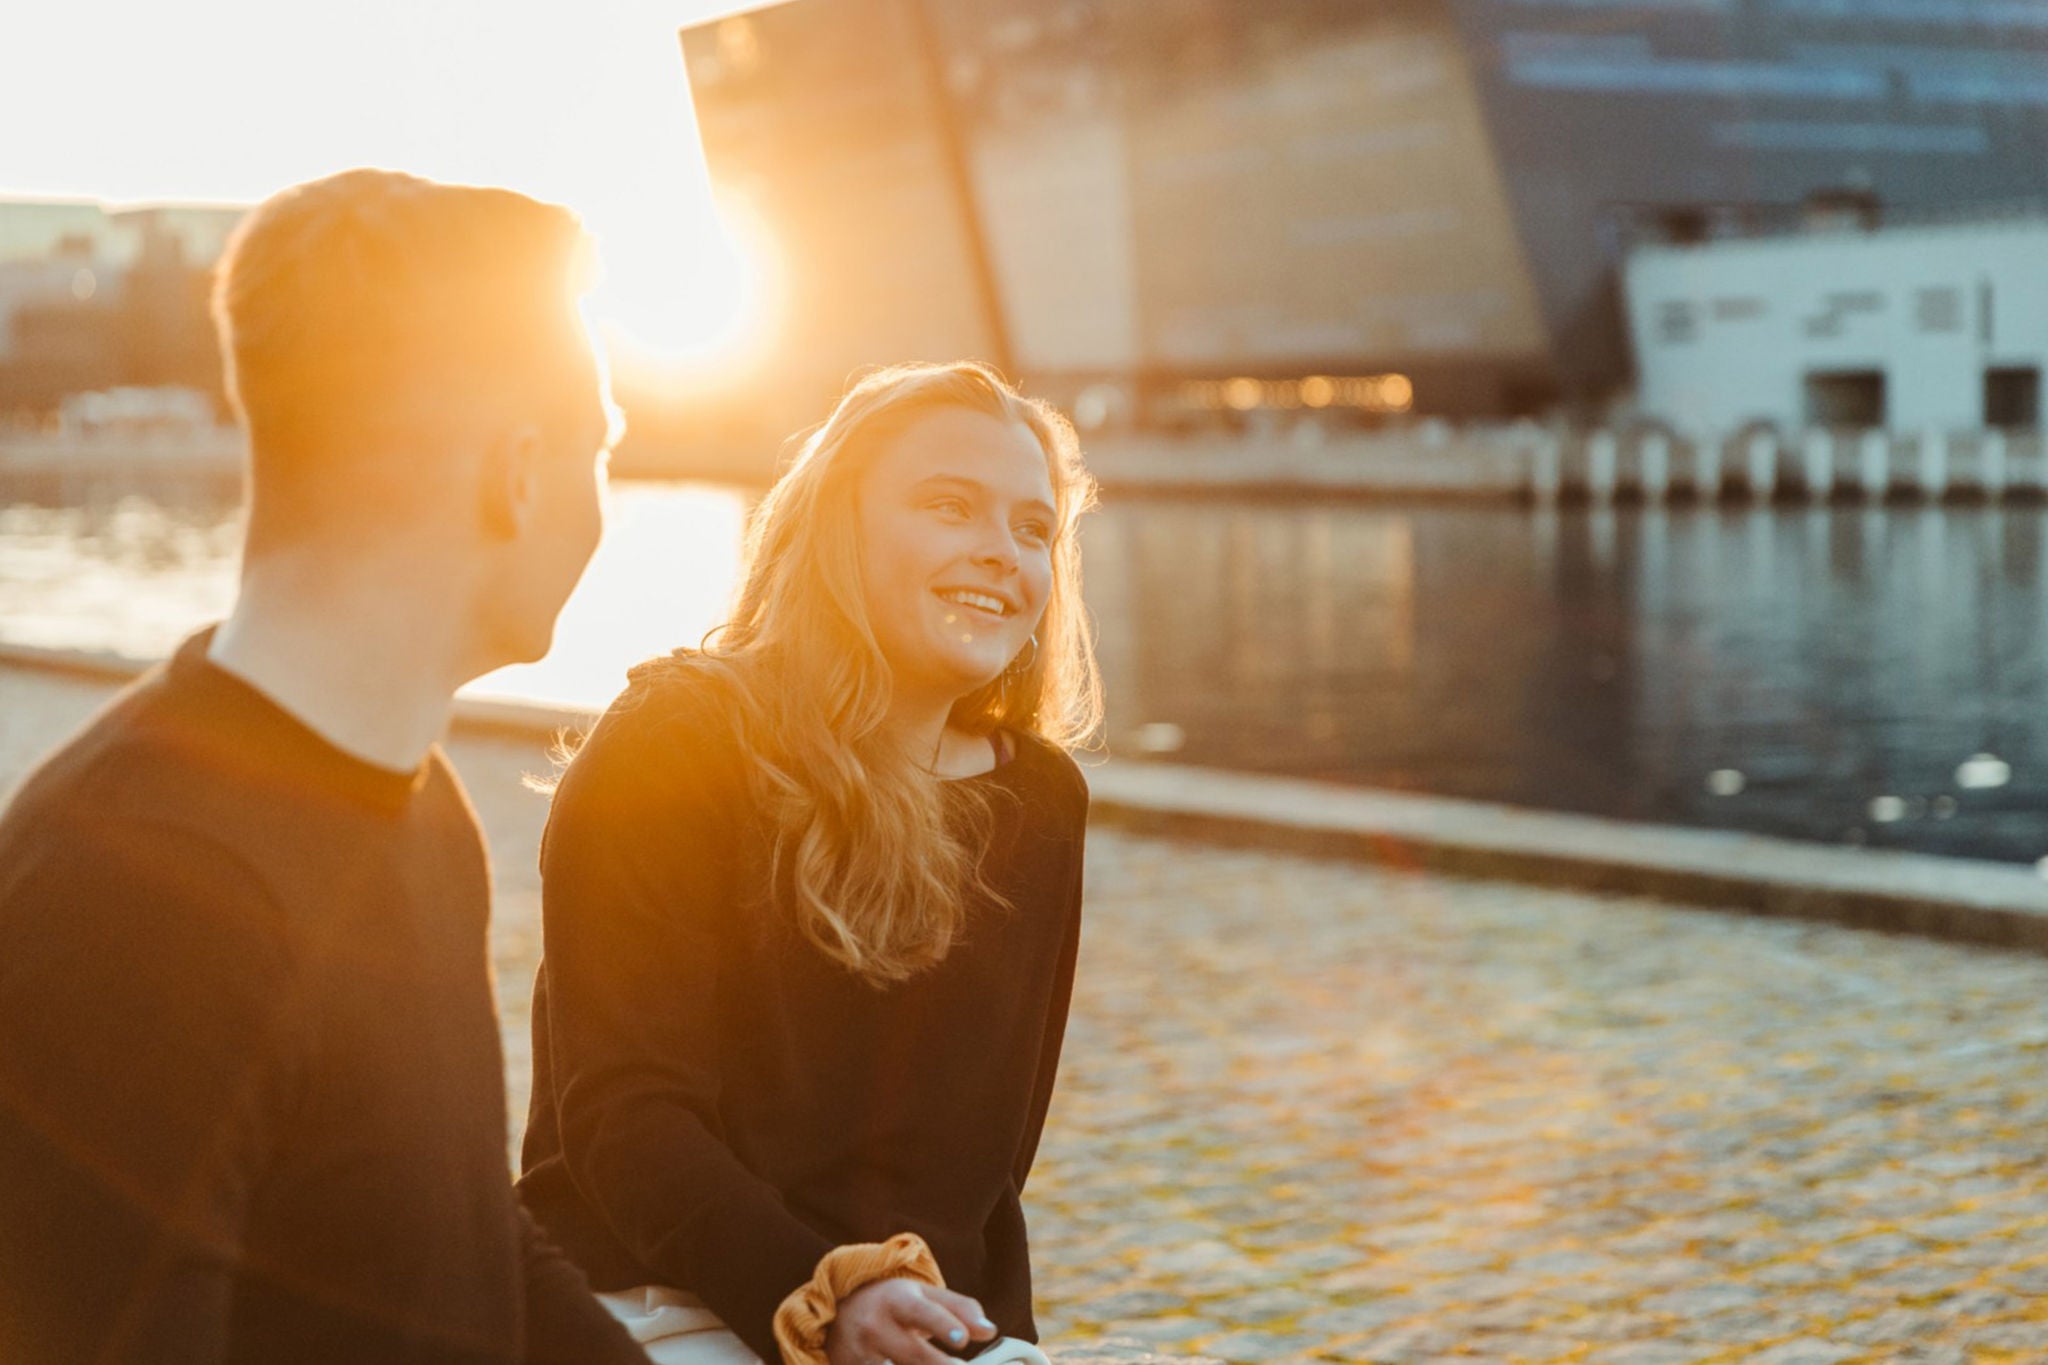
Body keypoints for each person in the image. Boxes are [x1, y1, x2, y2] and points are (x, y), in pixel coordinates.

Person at [0, 169, 648, 1364]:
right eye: (598, 449)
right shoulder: (127, 903)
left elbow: (460, 1241)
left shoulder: (419, 808)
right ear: (514, 472)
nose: (598, 500)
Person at [517, 362, 1101, 1365]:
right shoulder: (674, 743)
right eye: (949, 507)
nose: (1001, 553)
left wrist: (977, 1335)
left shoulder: (1040, 800)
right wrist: (824, 1295)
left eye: (1032, 529)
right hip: (660, 1302)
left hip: (918, 1329)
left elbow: (987, 1176)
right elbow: (624, 1119)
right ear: (835, 529)